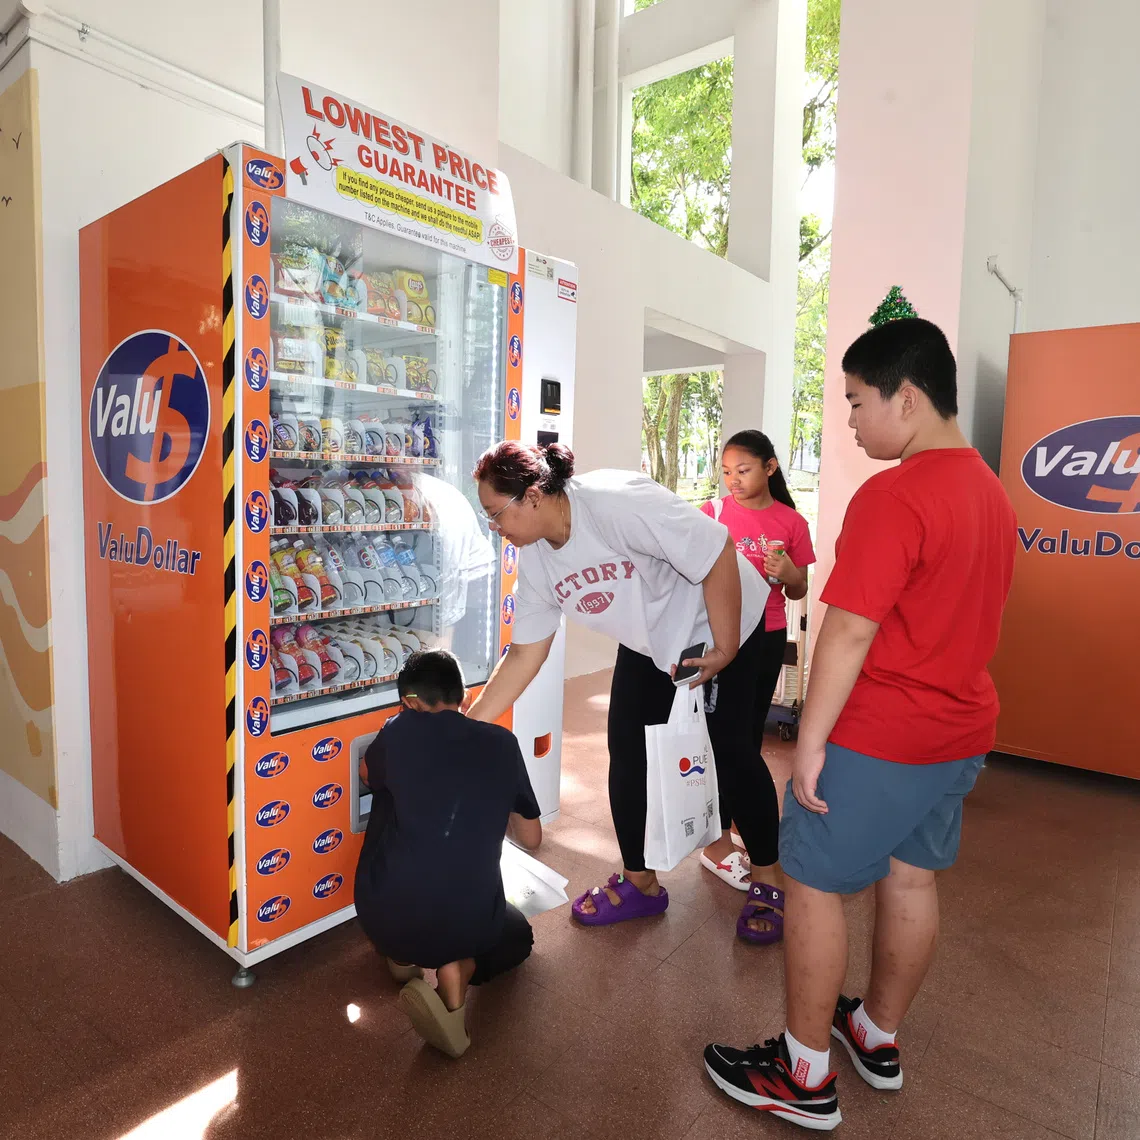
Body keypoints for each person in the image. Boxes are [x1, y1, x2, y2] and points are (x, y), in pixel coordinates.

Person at [704, 318, 1017, 1130]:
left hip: (883, 736)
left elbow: (846, 629)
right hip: (960, 732)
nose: (847, 421)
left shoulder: (898, 494)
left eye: (854, 401)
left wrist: (808, 745)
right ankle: (874, 1035)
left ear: (906, 398)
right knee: (911, 878)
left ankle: (802, 1074)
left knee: (811, 885)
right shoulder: (989, 489)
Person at [467, 441, 784, 942]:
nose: (494, 527)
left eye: (495, 513)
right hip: (654, 640)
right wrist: (468, 728)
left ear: (531, 496)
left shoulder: (614, 500)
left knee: (729, 752)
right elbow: (526, 653)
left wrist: (723, 648)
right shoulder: (536, 563)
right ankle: (640, 882)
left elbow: (718, 549)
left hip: (729, 619)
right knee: (628, 752)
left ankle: (769, 878)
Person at [354, 649, 542, 1059]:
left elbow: (367, 775)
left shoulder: (398, 731)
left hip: (380, 912)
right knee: (517, 936)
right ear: (467, 696)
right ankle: (453, 990)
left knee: (389, 796)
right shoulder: (502, 744)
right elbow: (532, 838)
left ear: (409, 702)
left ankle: (403, 956)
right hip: (466, 922)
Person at [697, 432, 815, 938]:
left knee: (746, 736)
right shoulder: (712, 513)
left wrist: (789, 573)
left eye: (743, 470)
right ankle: (717, 840)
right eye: (726, 471)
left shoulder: (790, 522)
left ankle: (737, 825)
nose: (733, 481)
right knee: (724, 742)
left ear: (769, 468)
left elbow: (799, 588)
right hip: (720, 637)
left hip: (764, 639)